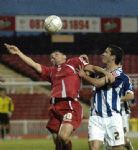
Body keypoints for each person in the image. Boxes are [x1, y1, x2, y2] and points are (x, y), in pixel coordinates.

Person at [4, 43, 110, 150]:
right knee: (57, 141)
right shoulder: (50, 71)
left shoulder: (73, 62)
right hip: (55, 107)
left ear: (64, 56)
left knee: (63, 136)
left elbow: (91, 67)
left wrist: (105, 72)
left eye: (56, 54)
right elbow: (34, 65)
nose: (53, 56)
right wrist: (18, 52)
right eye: (51, 57)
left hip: (70, 105)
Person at [78, 45, 134, 150]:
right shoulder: (102, 71)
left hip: (112, 117)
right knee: (94, 147)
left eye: (106, 52)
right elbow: (88, 77)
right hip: (96, 116)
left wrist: (84, 75)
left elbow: (98, 83)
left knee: (117, 148)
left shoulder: (119, 75)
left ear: (113, 57)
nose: (102, 54)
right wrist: (85, 63)